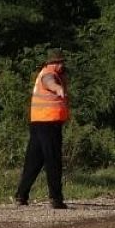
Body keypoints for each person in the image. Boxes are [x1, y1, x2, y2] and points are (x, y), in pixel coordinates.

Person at [15, 50, 70, 209]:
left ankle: (21, 195)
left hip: (38, 122)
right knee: (53, 161)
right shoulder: (48, 74)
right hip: (49, 123)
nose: (61, 65)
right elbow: (50, 82)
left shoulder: (45, 73)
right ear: (53, 63)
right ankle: (56, 198)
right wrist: (58, 89)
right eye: (60, 62)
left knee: (33, 161)